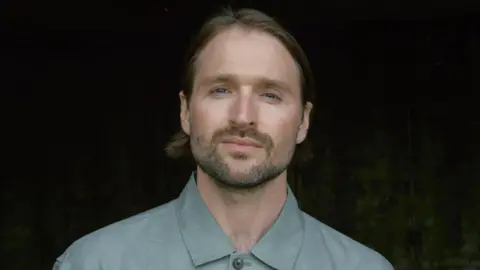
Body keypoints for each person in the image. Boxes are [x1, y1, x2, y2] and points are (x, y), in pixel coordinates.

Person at [53, 7, 394, 270]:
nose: (243, 115)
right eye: (220, 90)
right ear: (186, 111)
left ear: (304, 121)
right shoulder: (95, 262)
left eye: (270, 94)